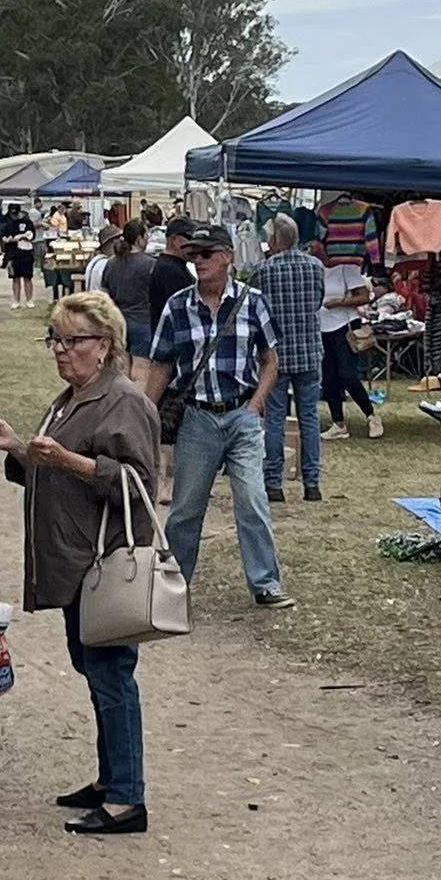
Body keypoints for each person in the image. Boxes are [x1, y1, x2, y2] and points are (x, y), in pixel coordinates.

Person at [0, 291, 161, 835]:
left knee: (111, 677)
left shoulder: (125, 402)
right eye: (55, 339)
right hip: (75, 563)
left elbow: (139, 484)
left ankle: (127, 799)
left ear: (104, 346)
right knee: (95, 672)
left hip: (104, 564)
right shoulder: (71, 398)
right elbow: (48, 472)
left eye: (73, 340)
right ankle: (112, 780)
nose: (61, 350)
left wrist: (70, 460)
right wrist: (19, 448)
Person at [144, 225, 294, 609]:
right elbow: (161, 365)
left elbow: (270, 360)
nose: (198, 262)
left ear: (228, 256)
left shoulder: (253, 302)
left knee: (252, 501)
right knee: (185, 510)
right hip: (197, 418)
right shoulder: (178, 306)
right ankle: (174, 586)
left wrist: (257, 403)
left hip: (241, 416)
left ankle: (266, 584)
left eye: (206, 254)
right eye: (193, 255)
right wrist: (144, 412)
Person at [251, 214, 327, 503]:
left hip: (276, 354)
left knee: (274, 419)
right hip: (308, 350)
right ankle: (312, 483)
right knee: (309, 417)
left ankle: (274, 483)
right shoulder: (315, 267)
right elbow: (318, 301)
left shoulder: (263, 271)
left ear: (274, 240)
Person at [320, 256, 383, 440]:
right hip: (321, 327)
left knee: (347, 375)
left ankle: (371, 415)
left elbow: (364, 296)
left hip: (344, 325)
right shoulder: (313, 266)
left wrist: (339, 302)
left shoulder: (346, 266)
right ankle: (338, 423)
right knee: (328, 377)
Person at [100, 220, 155, 358]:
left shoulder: (111, 264)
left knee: (119, 366)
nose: (148, 239)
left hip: (118, 322)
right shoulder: (150, 265)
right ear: (139, 239)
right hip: (142, 322)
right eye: (146, 235)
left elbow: (105, 295)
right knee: (140, 368)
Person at [4, 205, 37, 308]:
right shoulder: (7, 222)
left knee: (27, 277)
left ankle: (29, 299)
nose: (14, 216)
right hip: (12, 253)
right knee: (15, 278)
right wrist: (8, 239)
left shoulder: (27, 222)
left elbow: (32, 236)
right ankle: (16, 301)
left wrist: (23, 237)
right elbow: (3, 236)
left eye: (15, 214)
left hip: (26, 253)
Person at [83, 224, 123, 294]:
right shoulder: (107, 264)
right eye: (119, 239)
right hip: (102, 302)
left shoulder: (94, 261)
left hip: (92, 300)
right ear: (114, 241)